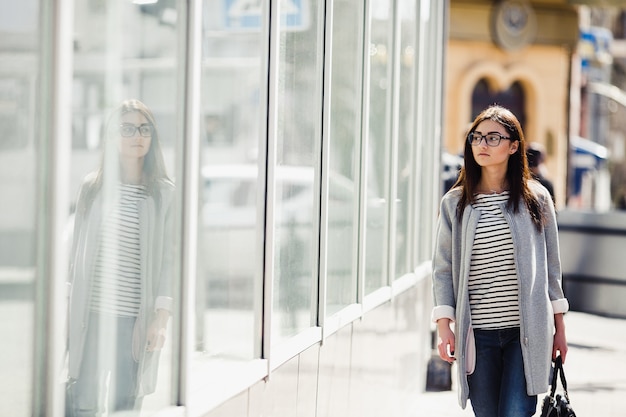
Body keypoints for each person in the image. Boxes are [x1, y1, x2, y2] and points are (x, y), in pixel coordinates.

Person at [431, 105, 569, 417]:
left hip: (527, 333)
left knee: (516, 412)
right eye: (476, 137)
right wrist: (444, 326)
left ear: (514, 146)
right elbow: (442, 268)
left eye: (493, 138)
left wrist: (560, 329)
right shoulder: (455, 203)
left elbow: (551, 270)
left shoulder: (537, 198)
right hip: (477, 335)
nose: (482, 144)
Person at [66, 99, 175, 416]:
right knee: (83, 402)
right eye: (127, 128)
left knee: (124, 404)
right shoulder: (93, 187)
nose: (137, 135)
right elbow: (78, 256)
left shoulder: (164, 193)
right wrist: (65, 312)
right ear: (112, 135)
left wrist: (161, 320)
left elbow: (170, 261)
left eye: (144, 129)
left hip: (133, 321)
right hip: (92, 315)